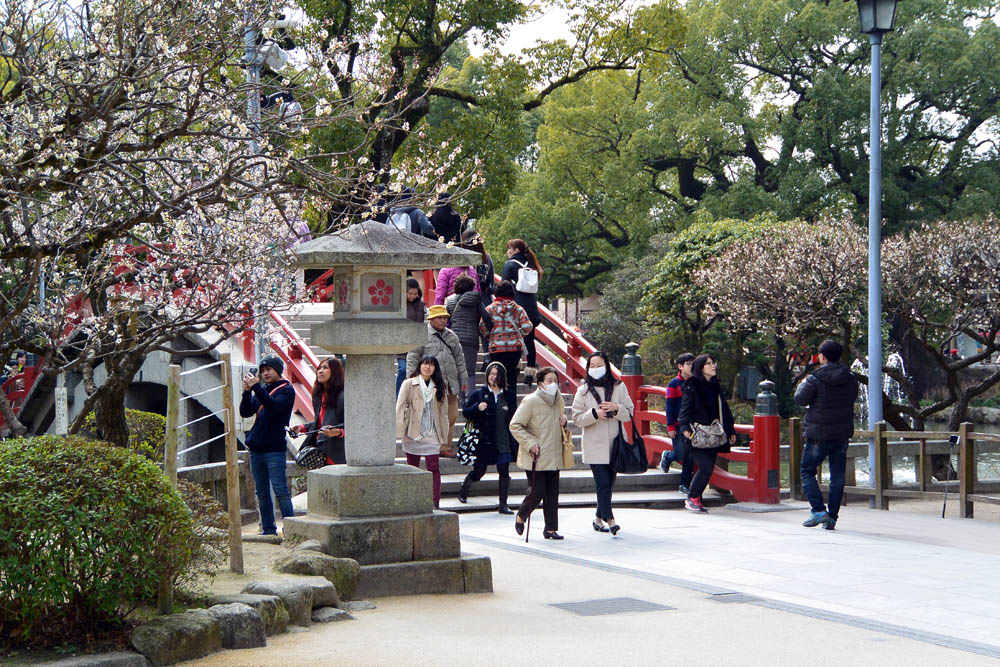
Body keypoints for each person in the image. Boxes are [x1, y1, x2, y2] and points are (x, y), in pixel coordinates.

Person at [794, 340, 859, 531]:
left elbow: (800, 399)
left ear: (822, 356)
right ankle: (832, 518)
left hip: (818, 433)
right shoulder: (851, 378)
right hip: (841, 433)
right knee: (837, 477)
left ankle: (818, 510)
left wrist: (803, 382)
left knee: (807, 470)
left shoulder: (815, 378)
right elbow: (852, 397)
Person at [572, 351, 634, 535]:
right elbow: (576, 418)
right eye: (592, 366)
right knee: (603, 484)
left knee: (609, 483)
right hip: (594, 444)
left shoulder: (619, 387)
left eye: (599, 365)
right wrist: (594, 414)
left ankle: (598, 519)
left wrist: (616, 408)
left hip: (615, 444)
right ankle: (611, 519)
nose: (595, 369)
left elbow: (629, 413)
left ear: (606, 366)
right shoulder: (582, 391)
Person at [239, 354, 296, 536]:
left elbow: (273, 406)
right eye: (263, 371)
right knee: (261, 492)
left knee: (280, 490)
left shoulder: (286, 390)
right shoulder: (264, 389)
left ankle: (292, 528)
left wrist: (256, 387)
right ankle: (268, 528)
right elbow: (245, 411)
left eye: (269, 369)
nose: (265, 373)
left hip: (274, 449)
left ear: (278, 370)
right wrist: (247, 391)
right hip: (256, 449)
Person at [511, 367, 568, 540]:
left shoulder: (559, 401)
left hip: (555, 452)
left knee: (552, 492)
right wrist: (530, 443)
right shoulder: (531, 401)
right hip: (536, 453)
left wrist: (564, 423)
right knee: (538, 490)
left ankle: (550, 528)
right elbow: (515, 425)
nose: (553, 384)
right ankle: (521, 515)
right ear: (541, 383)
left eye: (555, 380)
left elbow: (559, 423)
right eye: (549, 380)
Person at [677, 354, 737, 514]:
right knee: (705, 467)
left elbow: (724, 410)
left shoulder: (715, 386)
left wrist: (730, 430)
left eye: (713, 363)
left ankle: (695, 498)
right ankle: (692, 497)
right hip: (697, 434)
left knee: (708, 468)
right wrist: (685, 429)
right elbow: (684, 411)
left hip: (714, 434)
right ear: (701, 367)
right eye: (709, 364)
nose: (713, 366)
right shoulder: (692, 386)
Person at [406, 304, 467, 456]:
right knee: (435, 416)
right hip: (431, 384)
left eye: (445, 317)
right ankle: (433, 445)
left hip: (450, 382)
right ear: (431, 319)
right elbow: (413, 357)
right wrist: (412, 380)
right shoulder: (422, 335)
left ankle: (445, 446)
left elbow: (460, 359)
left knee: (452, 415)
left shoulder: (451, 336)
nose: (443, 320)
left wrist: (463, 379)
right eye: (440, 317)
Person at [459, 361, 519, 514]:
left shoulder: (509, 395)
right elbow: (466, 412)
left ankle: (503, 504)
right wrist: (477, 408)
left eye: (497, 374)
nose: (494, 377)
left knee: (504, 469)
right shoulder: (479, 394)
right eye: (491, 374)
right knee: (480, 471)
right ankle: (464, 488)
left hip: (503, 437)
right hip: (484, 439)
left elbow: (515, 415)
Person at [396, 355, 449, 507]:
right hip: (413, 431)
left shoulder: (439, 386)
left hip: (432, 431)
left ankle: (435, 500)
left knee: (433, 467)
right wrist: (400, 430)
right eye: (425, 364)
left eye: (431, 365)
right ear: (419, 366)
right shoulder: (408, 384)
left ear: (435, 368)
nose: (427, 367)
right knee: (412, 467)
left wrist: (444, 435)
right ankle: (412, 499)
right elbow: (400, 406)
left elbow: (443, 412)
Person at [501, 239, 542, 383]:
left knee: (514, 338)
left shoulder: (510, 264)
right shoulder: (531, 264)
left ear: (516, 250)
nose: (508, 252)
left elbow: (504, 285)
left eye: (509, 249)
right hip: (531, 308)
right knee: (529, 340)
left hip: (516, 308)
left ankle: (515, 367)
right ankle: (530, 372)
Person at [292, 357, 345, 464]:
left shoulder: (343, 396)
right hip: (320, 450)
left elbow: (353, 424)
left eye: (325, 368)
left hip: (337, 451)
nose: (320, 371)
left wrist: (338, 432)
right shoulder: (318, 395)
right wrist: (302, 428)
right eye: (319, 368)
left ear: (335, 371)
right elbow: (320, 422)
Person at [481, 280, 533, 389]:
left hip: (496, 348)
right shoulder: (518, 309)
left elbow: (482, 327)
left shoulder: (490, 309)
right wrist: (519, 334)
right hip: (514, 348)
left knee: (497, 376)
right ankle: (512, 404)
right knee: (511, 376)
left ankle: (499, 402)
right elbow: (528, 326)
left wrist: (490, 336)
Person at [659, 352, 696, 496]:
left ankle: (684, 484)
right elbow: (669, 406)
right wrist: (670, 426)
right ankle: (668, 456)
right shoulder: (674, 384)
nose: (691, 366)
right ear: (680, 366)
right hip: (678, 424)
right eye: (688, 364)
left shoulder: (696, 382)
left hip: (693, 425)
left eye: (693, 363)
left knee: (690, 455)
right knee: (680, 453)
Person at [446, 275, 493, 386]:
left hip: (453, 338)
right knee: (470, 373)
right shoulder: (476, 299)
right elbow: (486, 317)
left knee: (456, 371)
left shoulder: (450, 300)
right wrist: (490, 332)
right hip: (470, 339)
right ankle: (469, 401)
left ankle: (459, 401)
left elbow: (446, 320)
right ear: (472, 287)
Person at [462, 230, 495, 370]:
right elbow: (491, 282)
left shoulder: (463, 259)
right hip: (484, 298)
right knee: (485, 331)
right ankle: (488, 357)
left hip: (467, 298)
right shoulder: (486, 258)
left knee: (469, 330)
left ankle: (469, 359)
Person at [397, 278, 426, 397]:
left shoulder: (420, 305)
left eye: (415, 294)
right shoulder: (399, 304)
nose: (412, 296)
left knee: (414, 371)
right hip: (402, 341)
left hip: (415, 343)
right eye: (410, 294)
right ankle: (398, 395)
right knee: (403, 369)